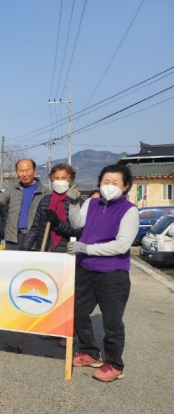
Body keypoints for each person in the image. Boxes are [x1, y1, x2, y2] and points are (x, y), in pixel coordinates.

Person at [68, 164, 138, 382]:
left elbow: (122, 245)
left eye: (115, 182)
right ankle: (89, 352)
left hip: (112, 273)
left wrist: (87, 248)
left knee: (112, 322)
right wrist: (73, 204)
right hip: (85, 269)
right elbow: (77, 224)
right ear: (99, 183)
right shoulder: (91, 203)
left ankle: (114, 364)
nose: (110, 185)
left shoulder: (129, 210)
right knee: (77, 312)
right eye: (106, 181)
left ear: (125, 186)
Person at [0, 159, 50, 250]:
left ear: (35, 171)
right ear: (16, 172)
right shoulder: (12, 189)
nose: (24, 174)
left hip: (34, 238)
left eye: (27, 170)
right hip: (13, 238)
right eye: (21, 171)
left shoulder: (45, 192)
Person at [23, 163, 82, 253]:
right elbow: (36, 227)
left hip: (66, 252)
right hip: (44, 250)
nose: (59, 181)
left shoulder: (76, 203)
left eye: (63, 178)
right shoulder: (45, 201)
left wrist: (58, 222)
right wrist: (25, 246)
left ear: (70, 179)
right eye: (56, 178)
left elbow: (78, 232)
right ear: (52, 179)